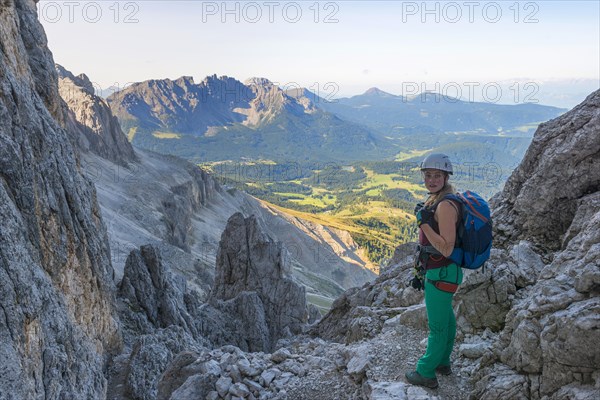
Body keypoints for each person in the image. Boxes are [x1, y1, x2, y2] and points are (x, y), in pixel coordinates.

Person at [405, 153, 463, 389]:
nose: (431, 180)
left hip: (441, 272)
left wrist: (424, 224)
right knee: (447, 321)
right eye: (427, 175)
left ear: (446, 176)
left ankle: (426, 371)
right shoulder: (440, 200)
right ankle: (443, 362)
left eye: (437, 175)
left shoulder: (446, 205)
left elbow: (446, 248)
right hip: (445, 272)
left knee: (437, 327)